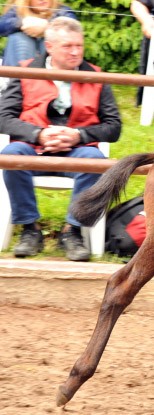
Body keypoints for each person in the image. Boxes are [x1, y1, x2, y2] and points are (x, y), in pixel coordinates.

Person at [0, 17, 121, 261]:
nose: (76, 52)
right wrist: (39, 134)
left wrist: (79, 135)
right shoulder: (25, 71)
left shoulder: (96, 77)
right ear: (49, 47)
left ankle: (72, 231)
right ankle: (29, 228)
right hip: (32, 147)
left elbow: (114, 127)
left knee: (95, 160)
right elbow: (3, 117)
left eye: (79, 45)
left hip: (78, 149)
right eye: (68, 46)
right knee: (11, 155)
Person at [0, 0, 76, 67]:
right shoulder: (18, 9)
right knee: (19, 38)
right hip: (21, 58)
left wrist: (48, 25)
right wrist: (22, 22)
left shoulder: (62, 10)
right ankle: (18, 80)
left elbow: (72, 26)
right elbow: (2, 25)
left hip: (52, 69)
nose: (42, 0)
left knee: (50, 40)